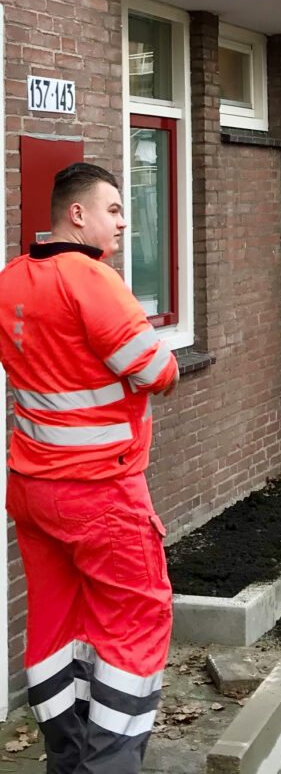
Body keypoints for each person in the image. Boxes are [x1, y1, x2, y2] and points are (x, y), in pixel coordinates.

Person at [0, 163, 179, 772]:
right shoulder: (96, 281)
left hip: (31, 490)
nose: (124, 222)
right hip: (101, 492)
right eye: (113, 209)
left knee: (54, 627)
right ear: (77, 215)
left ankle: (68, 761)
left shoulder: (11, 280)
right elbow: (161, 372)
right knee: (135, 624)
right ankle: (111, 764)